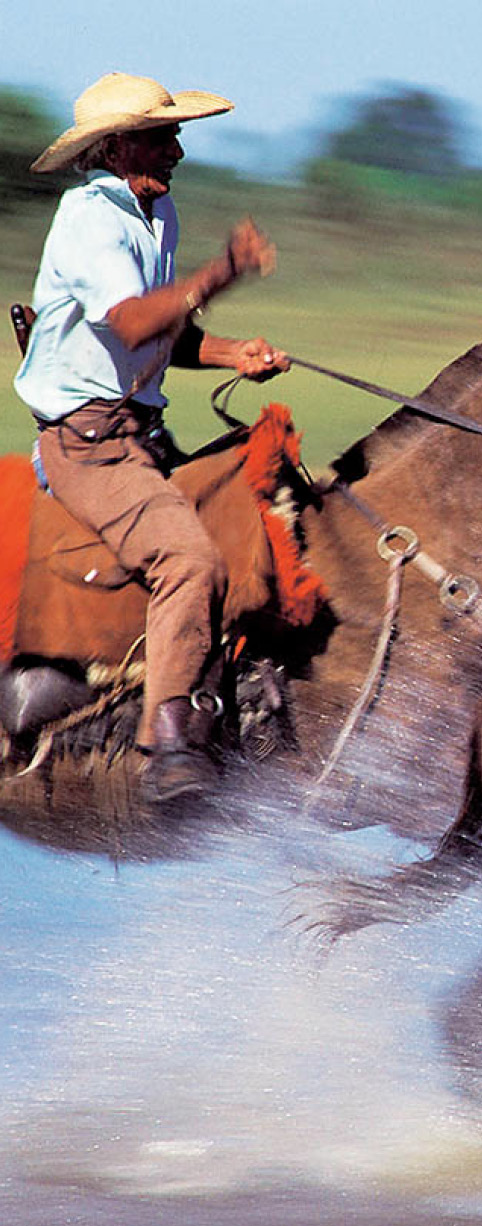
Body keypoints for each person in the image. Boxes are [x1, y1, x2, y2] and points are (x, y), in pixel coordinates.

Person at [14, 72, 291, 804]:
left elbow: (165, 327)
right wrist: (224, 270)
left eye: (175, 136)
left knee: (260, 518)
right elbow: (132, 321)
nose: (177, 151)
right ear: (118, 145)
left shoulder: (155, 212)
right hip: (87, 445)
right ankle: (166, 746)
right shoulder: (88, 217)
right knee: (188, 558)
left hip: (142, 435)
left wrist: (235, 355)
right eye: (164, 136)